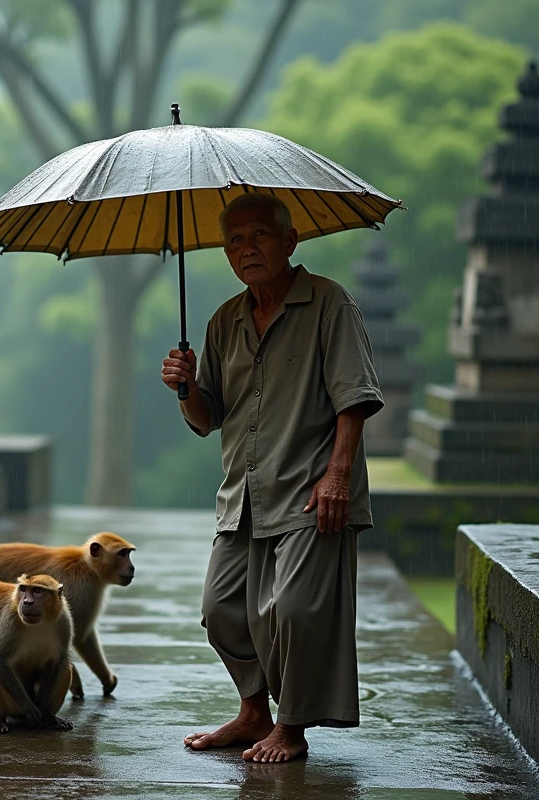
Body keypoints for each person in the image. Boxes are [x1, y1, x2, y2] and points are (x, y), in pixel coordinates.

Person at [161, 191, 384, 763]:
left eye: (259, 235)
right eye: (234, 240)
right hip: (245, 492)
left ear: (290, 242)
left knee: (296, 611)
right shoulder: (224, 320)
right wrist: (185, 387)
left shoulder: (329, 303)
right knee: (220, 609)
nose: (246, 249)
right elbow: (207, 418)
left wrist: (338, 475)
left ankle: (290, 726)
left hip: (312, 488)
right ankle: (253, 710)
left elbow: (354, 400)